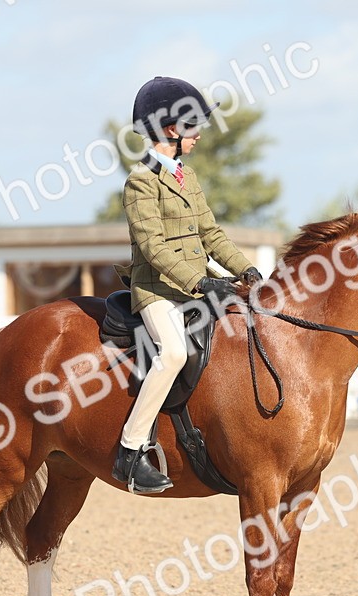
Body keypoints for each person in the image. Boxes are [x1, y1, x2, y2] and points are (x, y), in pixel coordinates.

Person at [111, 76, 262, 494]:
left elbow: (211, 234)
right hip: (157, 290)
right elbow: (153, 247)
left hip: (196, 287)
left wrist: (246, 270)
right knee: (174, 352)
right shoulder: (140, 182)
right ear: (172, 129)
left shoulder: (187, 177)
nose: (199, 134)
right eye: (193, 126)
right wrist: (201, 282)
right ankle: (131, 450)